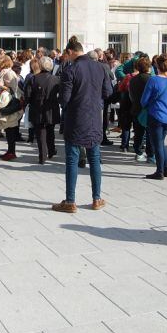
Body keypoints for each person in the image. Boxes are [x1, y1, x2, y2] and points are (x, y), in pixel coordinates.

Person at [52, 38, 112, 213]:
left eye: (66, 54)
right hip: (94, 117)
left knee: (72, 158)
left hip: (76, 119)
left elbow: (64, 99)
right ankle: (97, 198)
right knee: (94, 158)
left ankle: (70, 201)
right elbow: (108, 92)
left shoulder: (70, 70)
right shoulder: (101, 67)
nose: (65, 57)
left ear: (71, 52)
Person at [141, 54, 167, 180]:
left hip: (156, 115)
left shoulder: (154, 80)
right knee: (161, 143)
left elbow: (143, 100)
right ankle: (166, 169)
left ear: (157, 66)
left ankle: (160, 171)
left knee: (157, 144)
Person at [28, 56, 61, 164]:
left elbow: (28, 95)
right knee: (50, 130)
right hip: (51, 107)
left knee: (40, 132)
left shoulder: (33, 78)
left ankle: (42, 155)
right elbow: (61, 93)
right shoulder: (56, 79)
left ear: (40, 66)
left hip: (37, 107)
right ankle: (51, 150)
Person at [0, 55, 23, 161]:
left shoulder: (8, 73)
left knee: (10, 127)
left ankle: (12, 151)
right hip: (6, 99)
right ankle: (10, 150)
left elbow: (14, 88)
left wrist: (3, 87)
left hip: (8, 101)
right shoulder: (6, 72)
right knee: (8, 127)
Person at [128, 57, 154, 162]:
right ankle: (150, 154)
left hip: (136, 108)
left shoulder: (133, 79)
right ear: (148, 67)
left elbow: (131, 95)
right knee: (150, 133)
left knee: (138, 133)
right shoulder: (151, 79)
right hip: (148, 109)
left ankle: (138, 152)